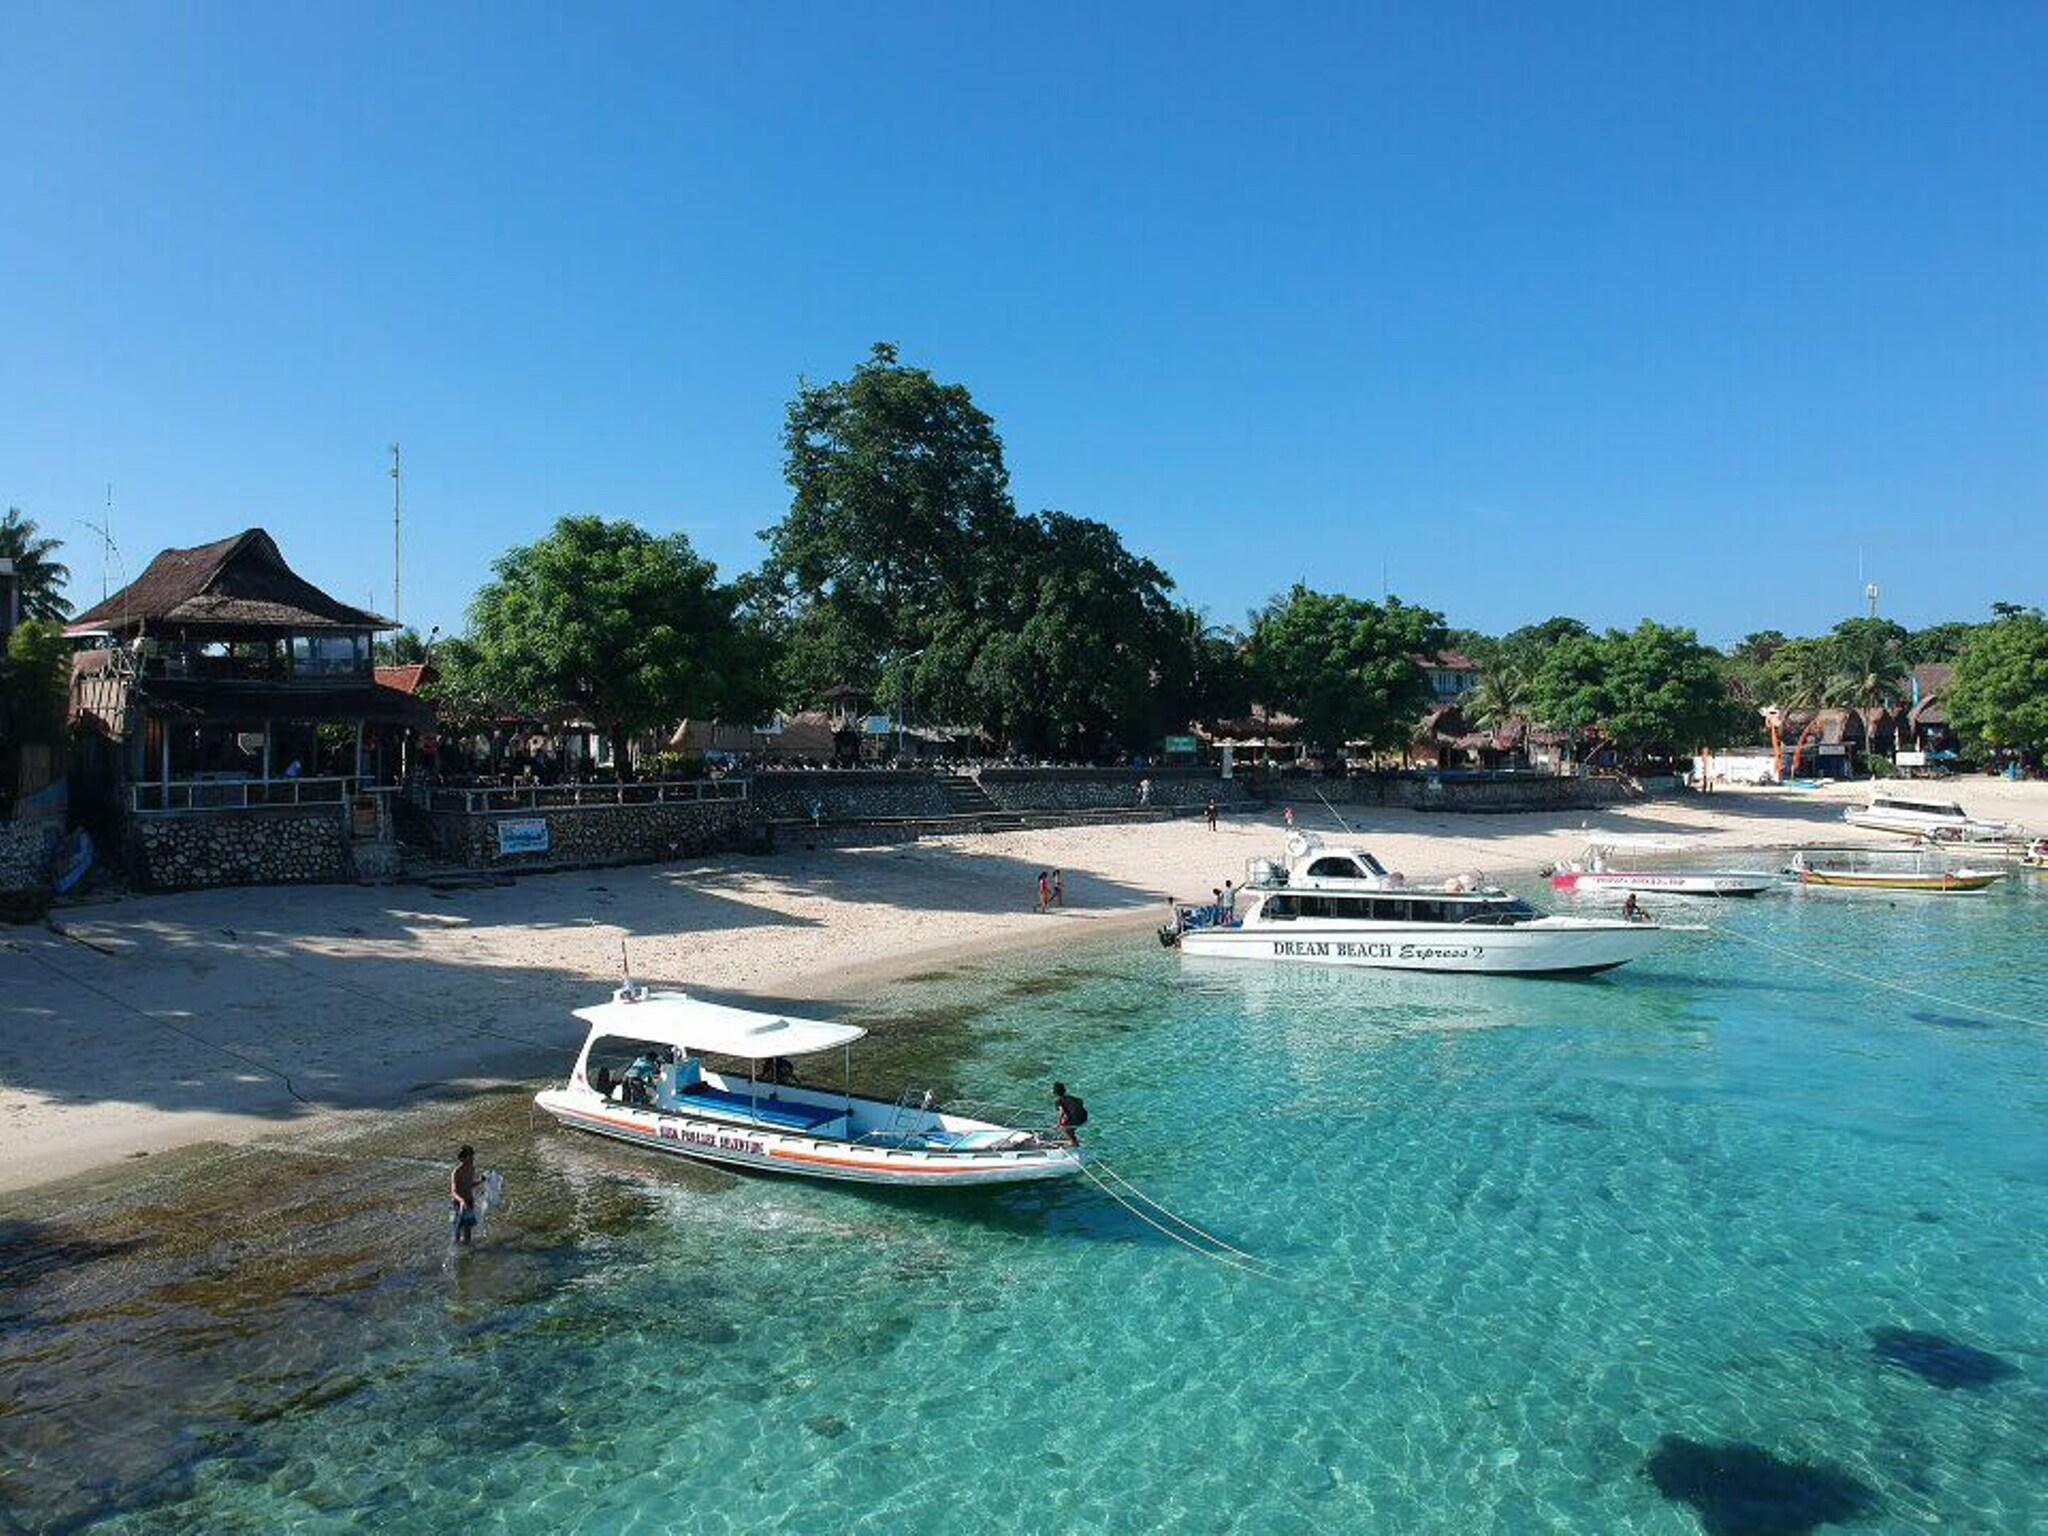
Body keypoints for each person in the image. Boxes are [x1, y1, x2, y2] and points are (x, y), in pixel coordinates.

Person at [451, 1145, 479, 1245]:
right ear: (462, 1158)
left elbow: (469, 1184)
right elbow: (453, 1192)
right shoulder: (457, 1172)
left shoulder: (472, 1169)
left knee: (468, 1229)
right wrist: (461, 1201)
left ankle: (468, 1249)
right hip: (458, 1204)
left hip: (469, 1202)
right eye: (470, 1157)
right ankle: (456, 1248)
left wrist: (481, 1181)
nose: (472, 1159)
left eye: (472, 1156)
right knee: (457, 1230)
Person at [1051, 1082, 1086, 1147]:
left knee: (1064, 1127)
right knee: (1069, 1126)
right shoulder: (1071, 1097)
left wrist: (1058, 1124)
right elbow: (1080, 1101)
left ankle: (1073, 1142)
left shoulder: (1058, 1101)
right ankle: (1073, 1138)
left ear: (1054, 1092)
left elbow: (1062, 1112)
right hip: (1084, 1116)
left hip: (1076, 1118)